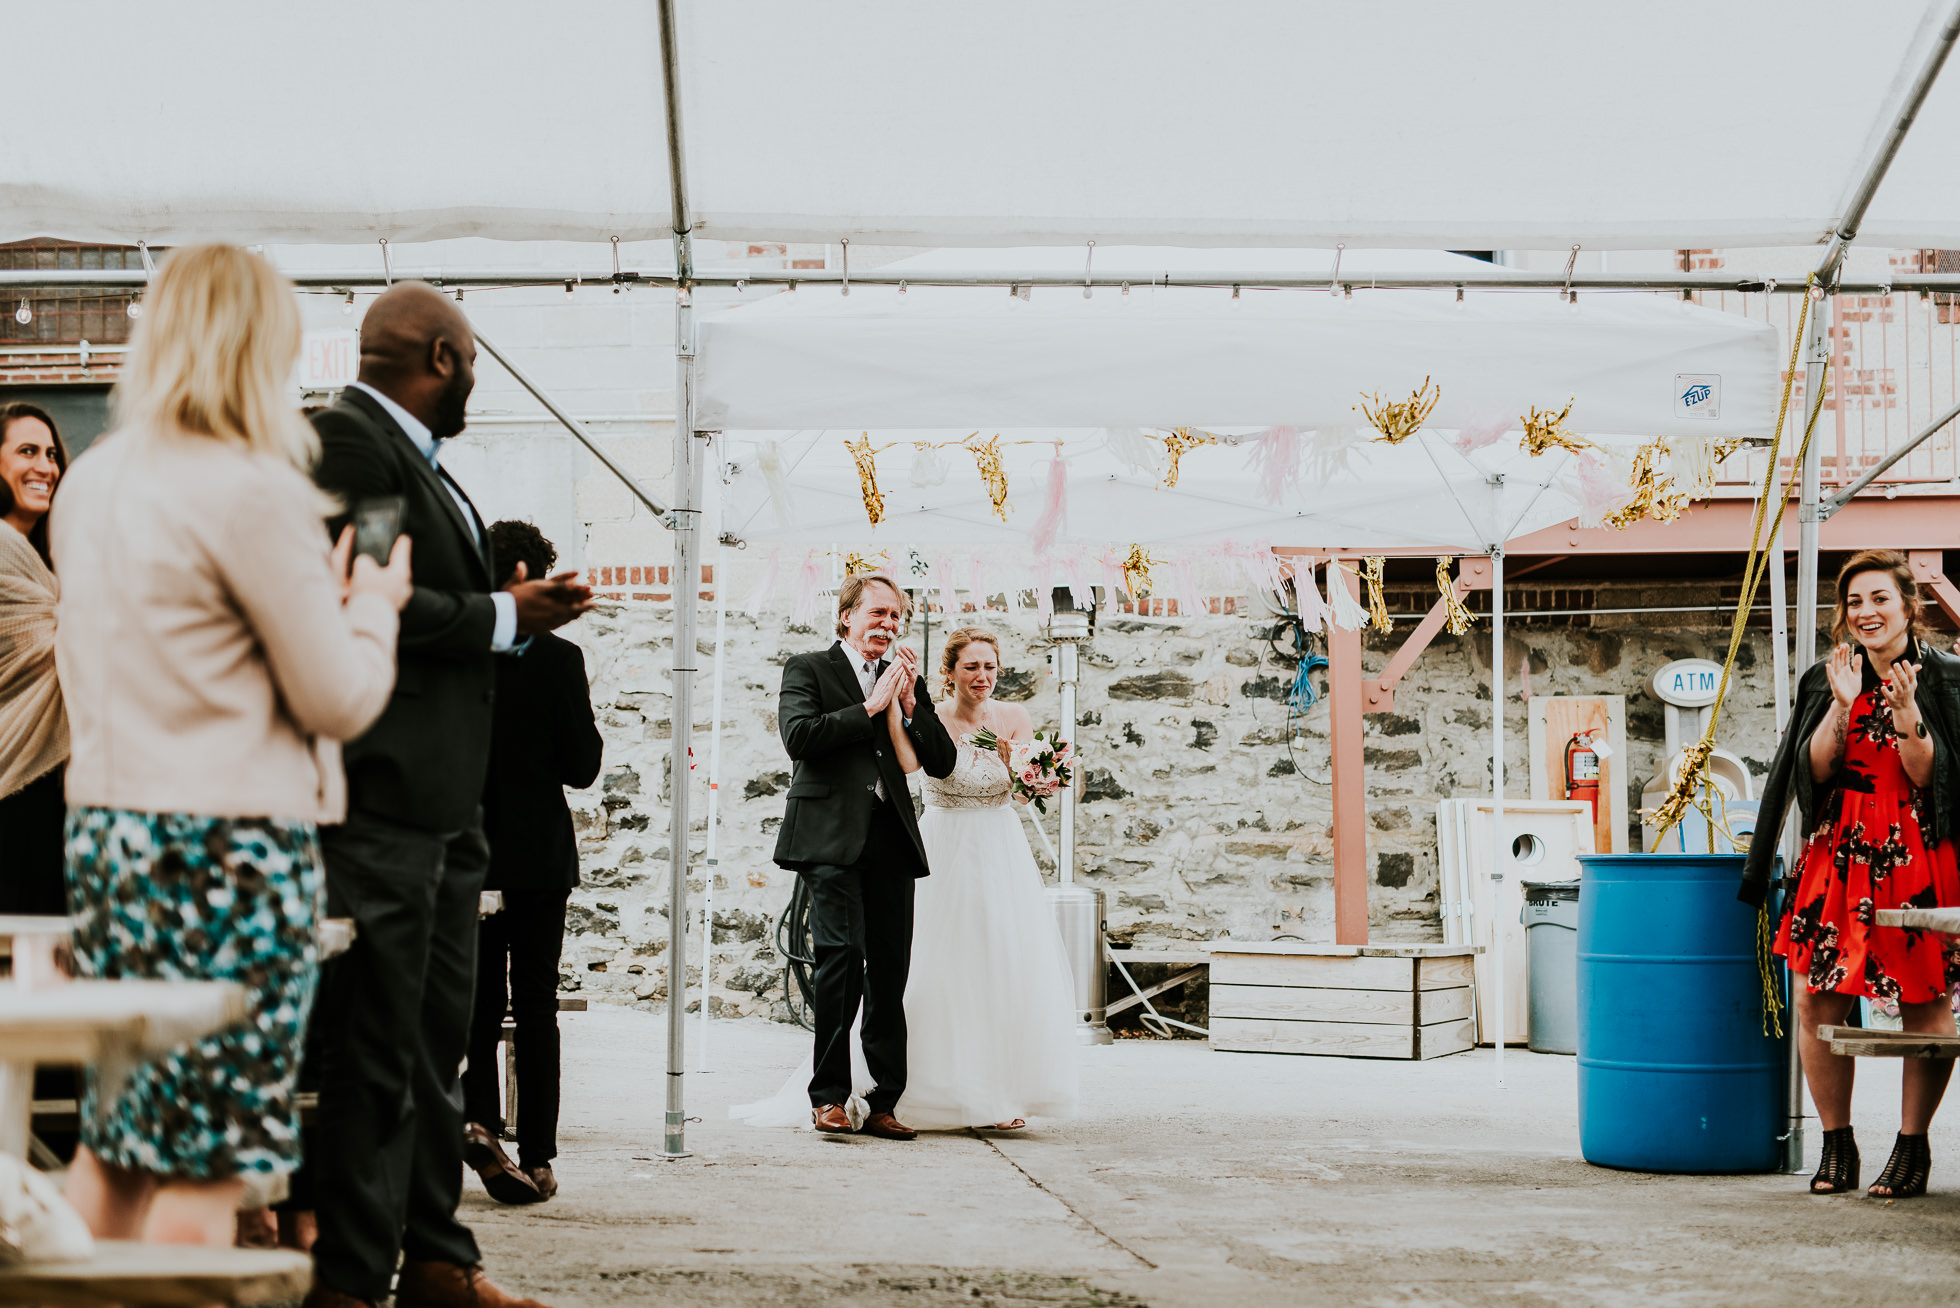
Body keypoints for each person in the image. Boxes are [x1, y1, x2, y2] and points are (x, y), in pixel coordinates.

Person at [48, 243, 410, 1246]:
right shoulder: (255, 490)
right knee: (210, 1172)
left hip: (109, 836)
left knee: (120, 1146)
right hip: (230, 849)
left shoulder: (93, 482)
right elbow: (336, 697)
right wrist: (373, 607)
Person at [304, 281, 590, 1308]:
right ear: (436, 355)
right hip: (383, 793)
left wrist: (507, 614)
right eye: (468, 362)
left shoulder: (423, 464)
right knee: (378, 1049)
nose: (472, 380)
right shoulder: (348, 444)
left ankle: (437, 1258)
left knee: (430, 1047)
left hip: (442, 805)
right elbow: (365, 593)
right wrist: (504, 616)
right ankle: (345, 1280)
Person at [1742, 549, 1960, 1200]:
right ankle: (1837, 1142)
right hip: (1839, 854)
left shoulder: (1946, 678)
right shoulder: (1826, 677)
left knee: (1925, 1004)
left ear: (1907, 606)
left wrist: (1905, 712)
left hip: (1915, 852)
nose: (1867, 613)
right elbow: (1810, 772)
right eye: (1855, 602)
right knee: (1817, 998)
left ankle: (1912, 1146)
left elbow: (1932, 776)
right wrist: (1841, 706)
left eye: (1880, 599)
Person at [768, 574, 958, 1139]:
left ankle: (883, 1100)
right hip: (829, 838)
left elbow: (942, 762)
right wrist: (869, 707)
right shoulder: (808, 668)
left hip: (891, 840)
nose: (888, 624)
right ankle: (827, 1097)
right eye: (877, 612)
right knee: (841, 961)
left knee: (890, 972)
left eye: (895, 616)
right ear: (846, 615)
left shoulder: (904, 678)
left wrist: (908, 704)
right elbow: (799, 738)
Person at [884, 626, 1079, 1129]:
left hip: (999, 847)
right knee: (940, 965)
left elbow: (1022, 793)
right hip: (944, 845)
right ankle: (932, 1085)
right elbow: (908, 765)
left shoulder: (1013, 717)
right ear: (949, 674)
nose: (983, 676)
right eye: (971, 667)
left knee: (1003, 960)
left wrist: (1036, 775)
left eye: (990, 666)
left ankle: (1000, 1093)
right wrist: (894, 706)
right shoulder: (931, 717)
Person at [462, 521, 602, 1206]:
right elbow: (583, 768)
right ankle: (539, 1153)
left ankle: (480, 1126)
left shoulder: (454, 650)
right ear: (524, 572)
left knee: (477, 1006)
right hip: (541, 855)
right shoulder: (559, 658)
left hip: (470, 851)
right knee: (537, 1005)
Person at [0, 402, 69, 916]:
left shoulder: (53, 564)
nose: (45, 467)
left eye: (50, 454)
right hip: (12, 788)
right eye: (27, 451)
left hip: (56, 789)